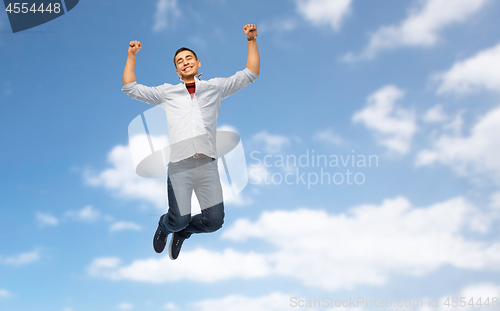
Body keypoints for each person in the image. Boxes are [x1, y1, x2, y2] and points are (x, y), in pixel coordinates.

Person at [121, 24, 260, 260]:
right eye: (179, 61)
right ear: (177, 71)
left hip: (208, 165)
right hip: (180, 166)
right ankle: (166, 227)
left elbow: (250, 74)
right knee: (178, 219)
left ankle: (183, 234)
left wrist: (251, 41)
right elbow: (130, 88)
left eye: (189, 58)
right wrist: (131, 55)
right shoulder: (167, 93)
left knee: (214, 222)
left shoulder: (214, 88)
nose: (185, 62)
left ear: (198, 64)